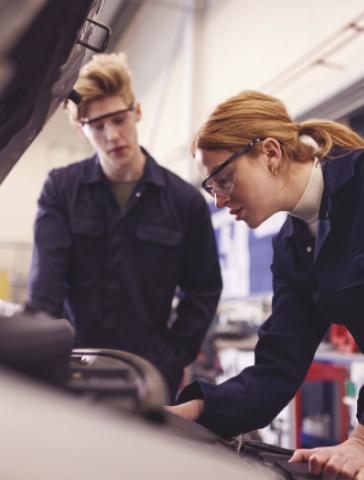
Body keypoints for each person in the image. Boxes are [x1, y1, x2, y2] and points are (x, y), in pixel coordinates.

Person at [167, 90, 364, 479]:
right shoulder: (293, 248)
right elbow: (277, 369)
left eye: (224, 179)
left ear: (270, 153)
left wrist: (360, 441)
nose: (220, 200)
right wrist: (185, 415)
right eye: (211, 188)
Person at [27, 52, 222, 400]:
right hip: (72, 370)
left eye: (118, 119)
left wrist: (171, 359)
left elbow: (204, 290)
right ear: (80, 128)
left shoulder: (185, 202)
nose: (112, 134)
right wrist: (43, 359)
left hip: (148, 375)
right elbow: (46, 291)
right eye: (97, 126)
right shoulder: (60, 190)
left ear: (137, 112)